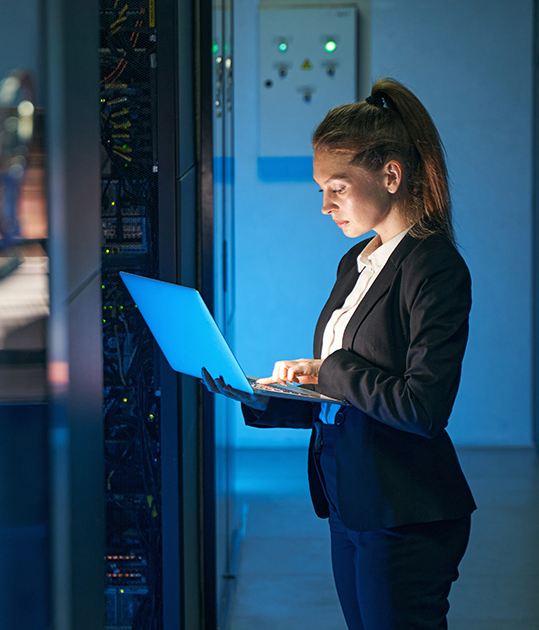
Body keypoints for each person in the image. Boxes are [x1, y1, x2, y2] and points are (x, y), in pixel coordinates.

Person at [202, 77, 475, 630]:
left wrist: (332, 369)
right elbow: (344, 395)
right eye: (320, 189)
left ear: (391, 175)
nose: (325, 205)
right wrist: (262, 395)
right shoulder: (356, 261)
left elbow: (422, 407)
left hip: (405, 510)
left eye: (338, 187)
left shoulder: (435, 268)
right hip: (350, 497)